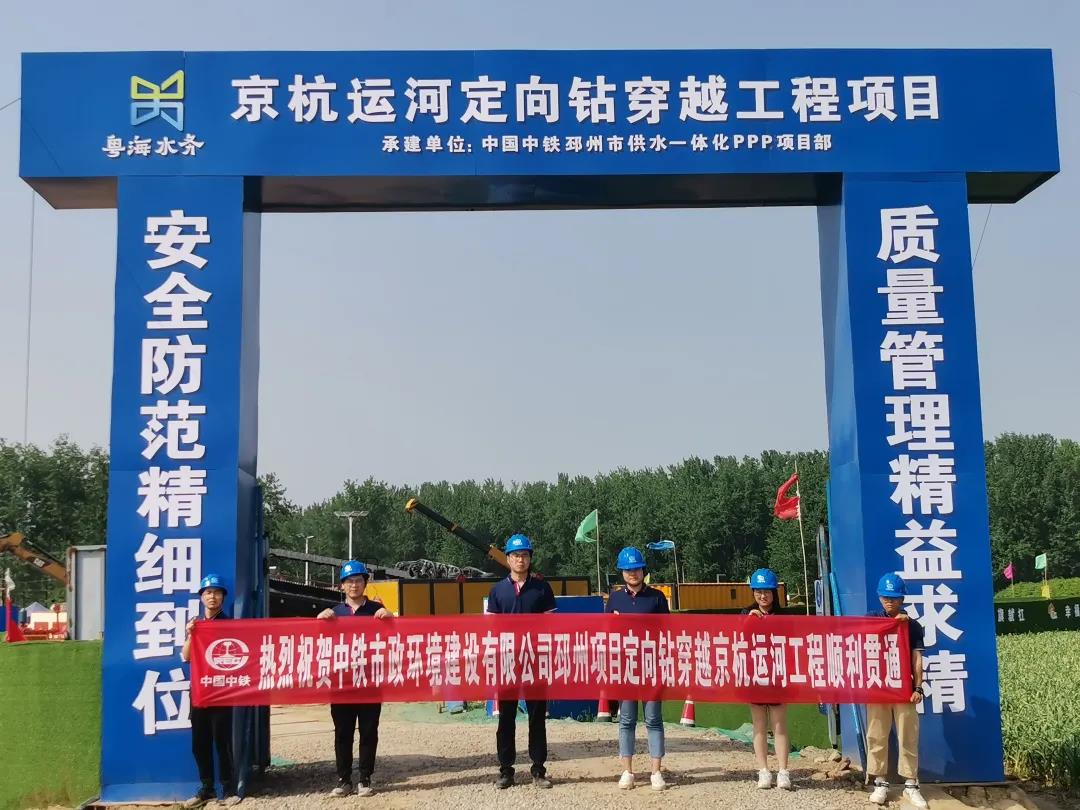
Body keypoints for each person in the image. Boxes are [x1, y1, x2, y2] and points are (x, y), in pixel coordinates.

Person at [316, 560, 394, 798]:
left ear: (365, 583)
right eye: (349, 581)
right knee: (343, 732)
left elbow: (395, 637)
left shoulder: (376, 611)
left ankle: (365, 778)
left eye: (358, 580)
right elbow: (317, 643)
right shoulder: (334, 613)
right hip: (342, 683)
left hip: (370, 681)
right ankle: (344, 779)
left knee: (369, 731)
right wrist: (318, 621)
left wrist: (390, 617)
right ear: (342, 585)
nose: (354, 585)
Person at [485, 533, 556, 790]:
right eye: (516, 555)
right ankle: (506, 770)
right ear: (508, 559)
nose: (520, 560)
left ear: (530, 558)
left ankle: (538, 769)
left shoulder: (542, 589)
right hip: (507, 661)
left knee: (537, 717)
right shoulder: (498, 591)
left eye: (525, 555)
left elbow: (551, 625)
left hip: (535, 661)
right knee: (506, 717)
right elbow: (491, 628)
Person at [606, 546, 669, 791]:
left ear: (643, 570)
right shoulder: (615, 599)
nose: (632, 573)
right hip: (626, 667)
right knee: (627, 720)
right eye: (628, 570)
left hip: (652, 666)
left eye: (636, 569)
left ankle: (656, 772)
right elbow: (607, 632)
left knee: (653, 719)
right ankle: (627, 771)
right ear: (622, 573)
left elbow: (667, 632)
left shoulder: (657, 598)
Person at [865, 573, 927, 809]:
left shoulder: (912, 626)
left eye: (894, 597)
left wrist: (918, 687)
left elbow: (917, 659)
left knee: (908, 736)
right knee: (876, 735)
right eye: (885, 597)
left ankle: (911, 784)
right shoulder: (871, 619)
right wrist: (892, 624)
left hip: (903, 690)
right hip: (878, 688)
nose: (889, 601)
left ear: (902, 599)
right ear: (879, 597)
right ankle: (880, 782)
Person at [180, 574, 240, 808]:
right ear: (201, 597)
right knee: (200, 742)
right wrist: (191, 634)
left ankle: (228, 788)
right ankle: (207, 788)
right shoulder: (196, 625)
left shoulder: (229, 624)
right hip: (200, 691)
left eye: (216, 592)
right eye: (208, 592)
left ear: (223, 597)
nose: (212, 596)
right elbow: (186, 656)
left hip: (222, 691)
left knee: (222, 742)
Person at [742, 568, 792, 791]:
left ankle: (783, 771)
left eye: (767, 592)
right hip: (755, 675)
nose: (763, 596)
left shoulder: (784, 616)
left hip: (778, 675)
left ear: (774, 593)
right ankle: (763, 770)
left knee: (779, 725)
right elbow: (738, 639)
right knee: (759, 725)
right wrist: (748, 620)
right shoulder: (746, 614)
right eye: (758, 592)